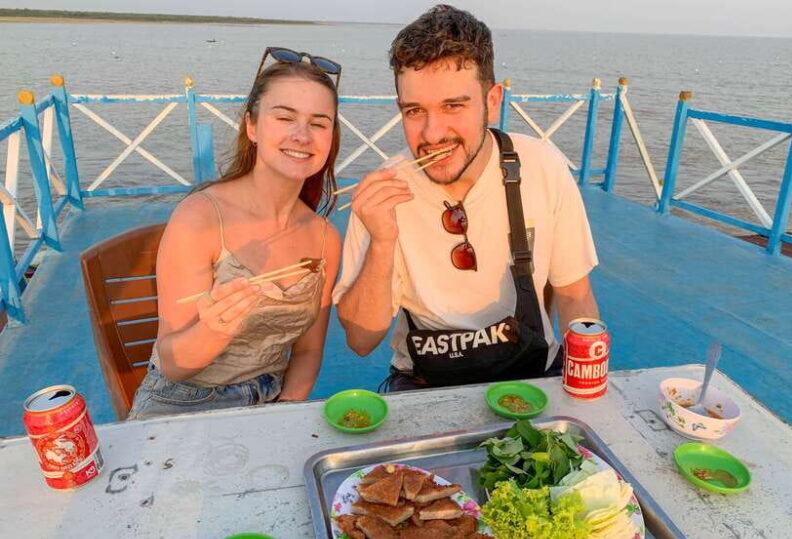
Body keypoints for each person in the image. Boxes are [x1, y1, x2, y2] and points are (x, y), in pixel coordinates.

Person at [333, 5, 599, 392]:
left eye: (453, 106)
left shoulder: (541, 166)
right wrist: (382, 240)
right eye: (414, 111)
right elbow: (360, 340)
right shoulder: (385, 190)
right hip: (426, 381)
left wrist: (585, 389)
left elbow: (575, 295)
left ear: (492, 101)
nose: (433, 133)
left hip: (531, 374)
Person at [128, 49, 342, 419]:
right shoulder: (201, 218)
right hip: (183, 401)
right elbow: (173, 363)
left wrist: (283, 414)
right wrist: (214, 330)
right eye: (285, 117)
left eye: (319, 123)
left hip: (272, 402)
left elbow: (308, 352)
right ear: (252, 126)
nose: (302, 135)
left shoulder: (325, 238)